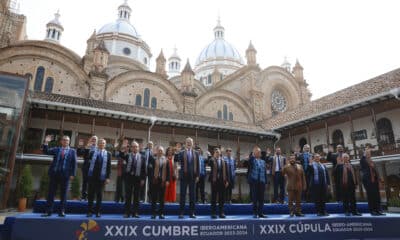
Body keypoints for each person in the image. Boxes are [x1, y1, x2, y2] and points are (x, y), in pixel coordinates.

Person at [41, 135, 77, 217]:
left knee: (63, 194)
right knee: (51, 193)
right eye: (64, 140)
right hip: (54, 174)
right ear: (61, 141)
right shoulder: (56, 149)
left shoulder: (72, 151)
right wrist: (46, 142)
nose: (65, 141)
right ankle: (48, 211)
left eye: (67, 140)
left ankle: (61, 211)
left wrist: (72, 174)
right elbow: (46, 151)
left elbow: (74, 164)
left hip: (65, 175)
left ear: (69, 142)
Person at [86, 138, 111, 218]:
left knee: (99, 195)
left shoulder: (108, 154)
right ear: (98, 144)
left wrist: (107, 177)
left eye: (103, 143)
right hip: (92, 177)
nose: (101, 144)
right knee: (91, 195)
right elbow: (86, 159)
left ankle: (98, 212)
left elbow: (109, 167)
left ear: (105, 145)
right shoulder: (92, 152)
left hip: (102, 177)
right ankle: (90, 211)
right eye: (100, 143)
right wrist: (88, 147)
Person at [177, 137, 200, 218]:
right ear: (185, 143)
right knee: (182, 195)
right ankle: (181, 213)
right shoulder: (181, 153)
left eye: (190, 142)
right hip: (184, 177)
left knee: (192, 195)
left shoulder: (196, 153)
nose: (189, 143)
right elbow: (177, 160)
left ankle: (192, 213)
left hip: (193, 177)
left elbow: (198, 165)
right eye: (187, 142)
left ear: (192, 143)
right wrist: (177, 151)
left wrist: (197, 175)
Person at [122, 141, 146, 218]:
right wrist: (123, 148)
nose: (135, 148)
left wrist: (143, 179)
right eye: (133, 147)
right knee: (128, 196)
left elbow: (144, 169)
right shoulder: (127, 155)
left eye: (136, 146)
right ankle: (127, 212)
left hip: (138, 179)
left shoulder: (142, 157)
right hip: (129, 178)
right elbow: (120, 155)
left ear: (138, 148)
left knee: (137, 196)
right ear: (131, 148)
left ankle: (135, 212)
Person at [360, 147, 385, 216]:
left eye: (369, 153)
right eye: (367, 153)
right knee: (371, 197)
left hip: (375, 181)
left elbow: (376, 171)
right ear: (365, 154)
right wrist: (366, 151)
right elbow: (362, 159)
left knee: (377, 196)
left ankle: (378, 210)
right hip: (368, 181)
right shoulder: (363, 161)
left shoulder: (372, 162)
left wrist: (379, 179)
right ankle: (372, 211)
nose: (369, 154)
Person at [150, 146, 170, 219]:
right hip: (155, 180)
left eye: (161, 150)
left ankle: (161, 213)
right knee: (154, 198)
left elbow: (168, 171)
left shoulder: (166, 160)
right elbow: (151, 170)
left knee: (162, 199)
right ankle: (153, 214)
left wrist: (167, 180)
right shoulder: (153, 159)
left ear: (163, 152)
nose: (160, 152)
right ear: (157, 151)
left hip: (163, 181)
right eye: (159, 150)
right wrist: (152, 178)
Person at [248, 146, 267, 218]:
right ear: (254, 153)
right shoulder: (252, 160)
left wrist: (265, 181)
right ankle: (255, 213)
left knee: (261, 198)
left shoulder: (263, 161)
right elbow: (249, 162)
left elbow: (264, 172)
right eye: (257, 152)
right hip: (254, 182)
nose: (259, 153)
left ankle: (260, 213)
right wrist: (253, 155)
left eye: (259, 152)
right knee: (255, 198)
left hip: (262, 181)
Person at [209, 148, 229, 218]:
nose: (217, 153)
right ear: (214, 153)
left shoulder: (224, 161)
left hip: (222, 181)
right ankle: (213, 213)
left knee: (222, 198)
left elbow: (227, 172)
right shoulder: (212, 160)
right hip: (214, 181)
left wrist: (227, 181)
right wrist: (213, 157)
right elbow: (210, 163)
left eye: (218, 152)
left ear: (220, 153)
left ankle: (221, 212)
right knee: (213, 198)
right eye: (216, 152)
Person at [77, 135, 98, 201]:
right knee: (85, 182)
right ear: (90, 140)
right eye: (92, 139)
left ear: (97, 141)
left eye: (95, 139)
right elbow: (79, 153)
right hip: (86, 167)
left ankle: (91, 197)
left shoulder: (99, 148)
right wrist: (80, 147)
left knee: (93, 183)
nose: (93, 140)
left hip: (95, 168)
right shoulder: (86, 147)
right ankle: (84, 197)